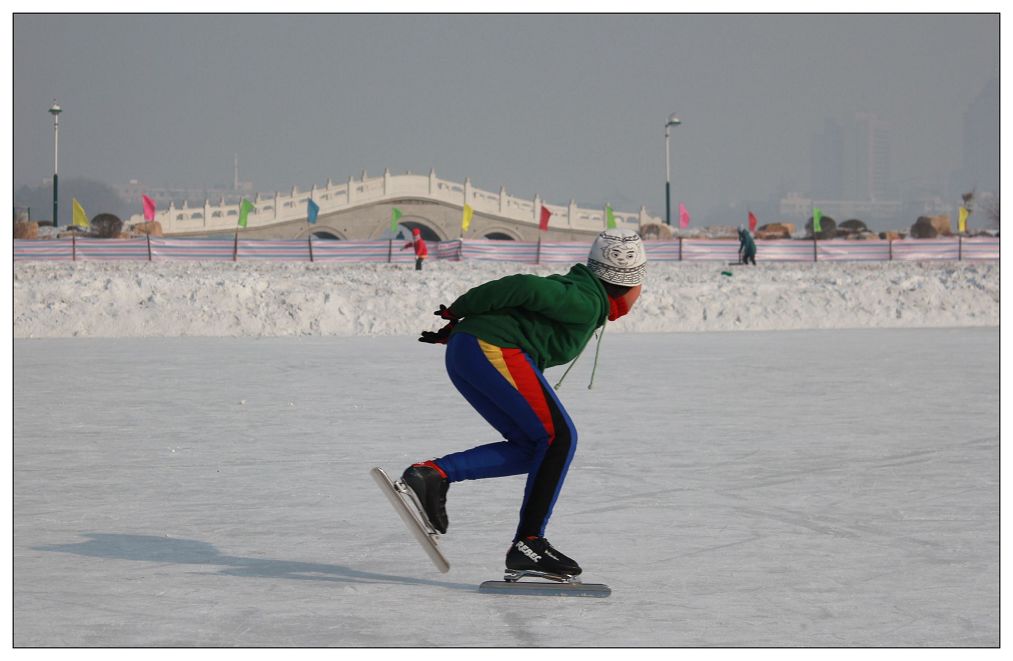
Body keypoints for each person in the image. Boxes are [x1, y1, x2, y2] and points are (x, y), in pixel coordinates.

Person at [401, 228, 647, 578]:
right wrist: (460, 312)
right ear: (629, 283)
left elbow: (526, 315)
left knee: (538, 448)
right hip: (489, 348)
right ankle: (529, 542)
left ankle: (434, 474)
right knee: (559, 439)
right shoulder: (585, 300)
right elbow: (525, 287)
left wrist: (464, 330)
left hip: (475, 350)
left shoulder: (585, 298)